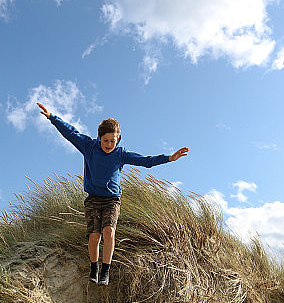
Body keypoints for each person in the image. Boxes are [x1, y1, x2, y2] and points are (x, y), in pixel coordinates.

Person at [37, 102, 188, 286]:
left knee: (108, 231)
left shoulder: (120, 154)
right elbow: (70, 133)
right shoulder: (89, 147)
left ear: (118, 139)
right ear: (99, 137)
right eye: (106, 140)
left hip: (112, 201)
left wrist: (169, 158)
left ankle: (106, 270)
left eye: (113, 141)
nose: (109, 144)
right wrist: (52, 117)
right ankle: (94, 267)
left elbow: (146, 161)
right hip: (92, 199)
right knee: (95, 236)